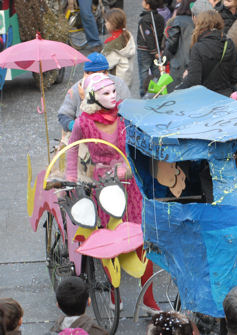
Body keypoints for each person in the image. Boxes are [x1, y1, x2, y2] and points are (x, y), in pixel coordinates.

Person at [65, 73, 160, 313]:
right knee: (111, 242)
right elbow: (72, 151)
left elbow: (140, 144)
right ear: (94, 96)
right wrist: (70, 179)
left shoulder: (125, 116)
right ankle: (113, 296)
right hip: (103, 187)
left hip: (131, 185)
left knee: (140, 239)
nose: (113, 97)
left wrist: (133, 165)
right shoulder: (82, 123)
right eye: (106, 93)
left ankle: (148, 299)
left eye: (114, 92)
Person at [57, 53, 131, 133]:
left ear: (107, 72)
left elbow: (129, 111)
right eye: (94, 74)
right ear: (86, 73)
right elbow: (63, 115)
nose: (99, 78)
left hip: (114, 131)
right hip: (85, 134)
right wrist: (75, 126)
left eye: (103, 73)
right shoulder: (76, 89)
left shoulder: (119, 84)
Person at [177, 10, 237, 96]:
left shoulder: (198, 47)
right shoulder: (228, 43)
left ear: (200, 25)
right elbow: (236, 77)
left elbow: (194, 81)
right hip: (226, 97)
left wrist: (178, 88)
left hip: (205, 98)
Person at [163, 0, 196, 92]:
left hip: (178, 65)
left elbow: (171, 44)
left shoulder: (177, 21)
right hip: (192, 65)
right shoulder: (197, 22)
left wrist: (163, 59)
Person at [137, 0, 166, 97]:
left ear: (148, 5)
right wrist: (158, 50)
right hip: (157, 50)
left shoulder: (144, 20)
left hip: (144, 50)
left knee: (144, 73)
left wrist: (154, 51)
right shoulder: (160, 18)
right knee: (156, 73)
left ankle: (144, 94)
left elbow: (148, 36)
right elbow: (162, 35)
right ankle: (158, 92)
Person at [102, 8, 136, 88]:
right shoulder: (127, 34)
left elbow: (108, 64)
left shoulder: (112, 44)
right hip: (127, 76)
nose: (105, 24)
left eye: (106, 22)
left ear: (113, 24)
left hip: (116, 80)